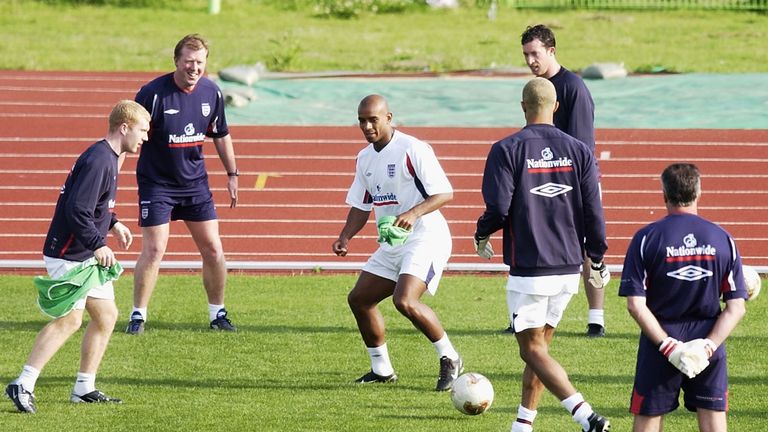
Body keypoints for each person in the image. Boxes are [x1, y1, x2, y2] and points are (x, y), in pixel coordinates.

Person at [474, 78, 610, 432]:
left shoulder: (507, 149)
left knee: (531, 350)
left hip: (531, 266)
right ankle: (523, 423)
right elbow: (594, 211)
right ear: (556, 107)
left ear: (522, 106)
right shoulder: (580, 151)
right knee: (541, 347)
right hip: (568, 267)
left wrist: (482, 230)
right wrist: (596, 255)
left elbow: (499, 207)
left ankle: (585, 415)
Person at [5, 100, 150, 413]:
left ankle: (84, 387)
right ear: (124, 127)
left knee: (106, 316)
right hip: (71, 253)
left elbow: (93, 205)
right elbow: (76, 209)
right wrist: (99, 243)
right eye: (142, 130)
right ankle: (23, 383)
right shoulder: (100, 160)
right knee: (71, 319)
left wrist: (113, 222)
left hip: (84, 252)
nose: (145, 137)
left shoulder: (109, 157)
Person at [332, 94, 463, 391]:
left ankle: (450, 357)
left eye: (373, 120)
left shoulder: (413, 149)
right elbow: (361, 204)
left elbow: (444, 192)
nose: (367, 126)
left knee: (404, 300)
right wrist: (345, 236)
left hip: (426, 235)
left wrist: (414, 213)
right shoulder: (364, 158)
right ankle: (381, 370)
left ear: (389, 118)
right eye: (361, 120)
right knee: (360, 299)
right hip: (393, 241)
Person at [619, 163, 747, 432]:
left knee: (648, 420)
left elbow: (635, 304)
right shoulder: (723, 238)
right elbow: (736, 307)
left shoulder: (646, 238)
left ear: (664, 195)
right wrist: (708, 347)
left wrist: (668, 346)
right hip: (708, 338)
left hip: (659, 342)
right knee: (713, 422)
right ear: (699, 193)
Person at [126, 34, 239, 334]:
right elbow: (129, 136)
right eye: (188, 61)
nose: (194, 68)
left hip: (194, 185)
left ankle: (218, 314)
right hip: (157, 184)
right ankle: (138, 315)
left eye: (200, 62)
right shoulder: (152, 94)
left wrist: (232, 174)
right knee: (154, 249)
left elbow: (221, 134)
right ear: (176, 61)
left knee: (213, 249)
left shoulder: (212, 93)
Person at [515, 23, 608, 338]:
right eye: (526, 54)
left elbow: (583, 146)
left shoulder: (573, 87)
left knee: (587, 246)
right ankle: (527, 316)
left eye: (535, 53)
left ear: (551, 50)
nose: (530, 61)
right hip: (542, 175)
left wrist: (577, 184)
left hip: (573, 179)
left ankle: (596, 318)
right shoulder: (537, 88)